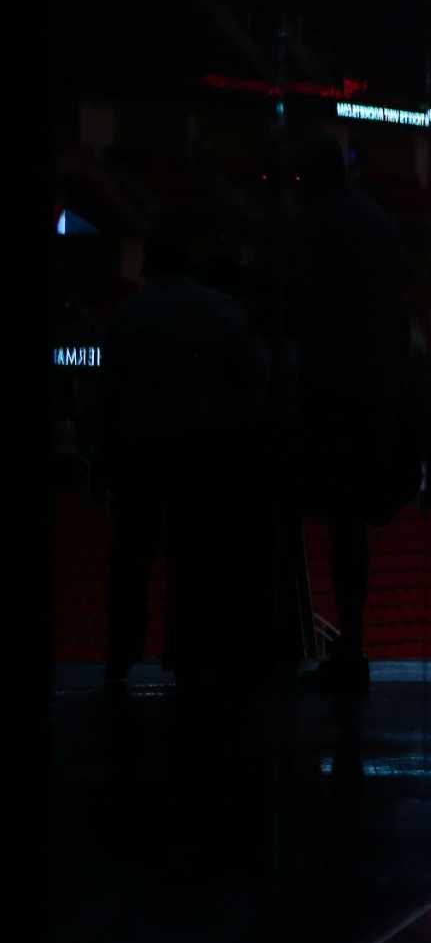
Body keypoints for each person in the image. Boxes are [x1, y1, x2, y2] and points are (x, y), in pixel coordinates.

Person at [100, 217, 269, 688]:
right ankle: (191, 659)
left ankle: (120, 658)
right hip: (205, 455)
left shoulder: (127, 314)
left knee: (131, 558)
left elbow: (109, 394)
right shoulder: (222, 312)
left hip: (139, 453)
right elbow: (252, 386)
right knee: (193, 563)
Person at [291, 136, 414, 693]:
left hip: (327, 389)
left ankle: (333, 645)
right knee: (350, 524)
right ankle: (352, 640)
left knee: (337, 520)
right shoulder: (379, 223)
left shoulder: (312, 226)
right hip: (373, 392)